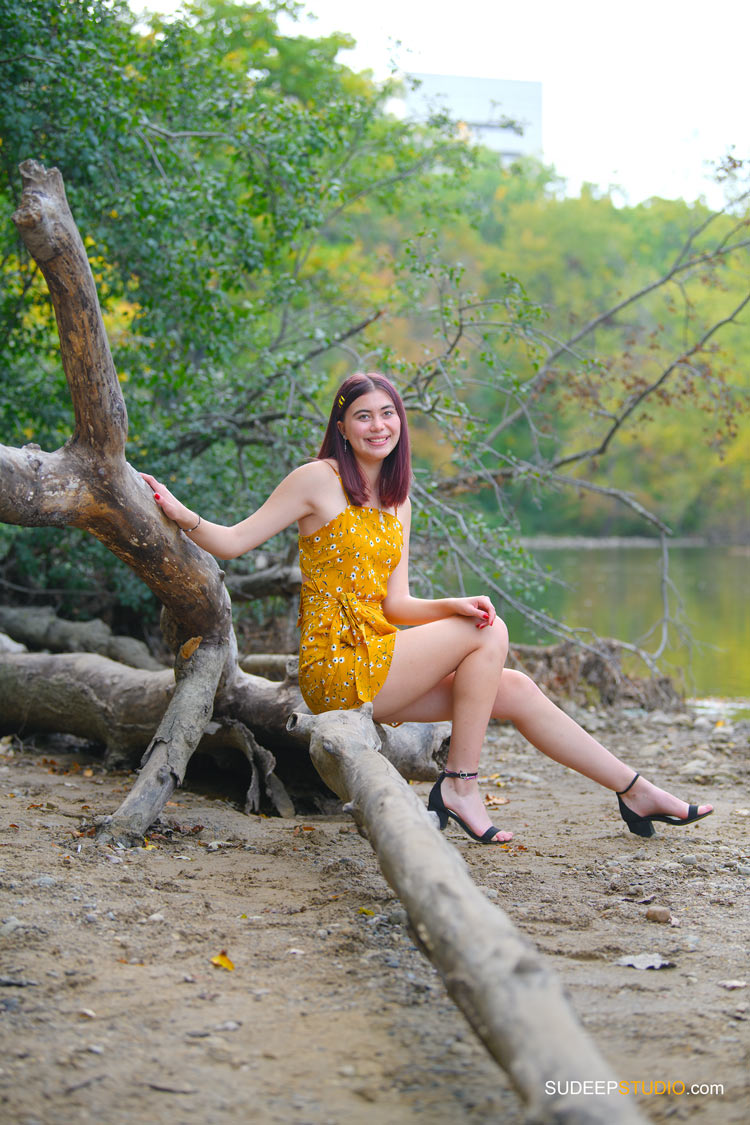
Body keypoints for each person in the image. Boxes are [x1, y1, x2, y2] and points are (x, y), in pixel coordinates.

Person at [141, 373, 713, 844]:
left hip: (382, 653)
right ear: (341, 426)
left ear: (400, 425)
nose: (377, 425)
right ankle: (461, 785)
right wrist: (178, 511)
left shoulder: (397, 502)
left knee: (513, 688)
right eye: (363, 415)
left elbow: (396, 603)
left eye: (387, 414)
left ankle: (633, 788)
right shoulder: (318, 480)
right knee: (490, 634)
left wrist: (450, 605)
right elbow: (235, 541)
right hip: (336, 665)